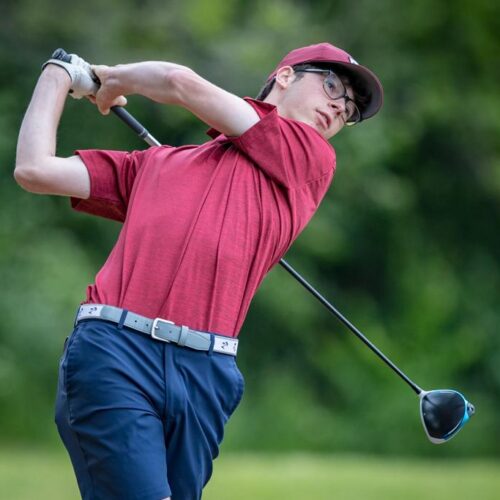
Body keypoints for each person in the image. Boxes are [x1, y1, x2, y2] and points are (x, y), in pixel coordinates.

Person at [14, 42, 383, 500]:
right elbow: (35, 170)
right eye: (331, 85)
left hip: (207, 373)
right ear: (286, 76)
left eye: (349, 109)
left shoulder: (311, 161)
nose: (338, 106)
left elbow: (179, 83)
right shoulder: (155, 163)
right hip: (116, 353)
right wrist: (58, 73)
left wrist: (111, 80)